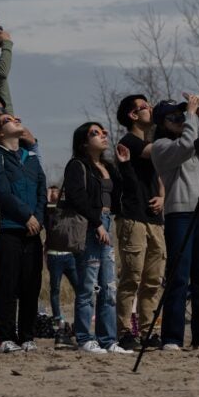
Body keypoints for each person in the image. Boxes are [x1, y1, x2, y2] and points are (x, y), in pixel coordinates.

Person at [150, 94, 199, 351]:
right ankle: (172, 337)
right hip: (179, 214)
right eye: (174, 117)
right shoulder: (161, 147)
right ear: (162, 123)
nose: (180, 119)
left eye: (181, 115)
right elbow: (188, 144)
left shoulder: (192, 136)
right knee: (178, 276)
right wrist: (190, 115)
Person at [63, 123, 131, 355]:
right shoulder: (77, 165)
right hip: (90, 226)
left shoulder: (108, 167)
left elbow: (121, 194)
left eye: (103, 132)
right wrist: (96, 223)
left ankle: (108, 340)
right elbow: (77, 197)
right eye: (95, 133)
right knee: (88, 286)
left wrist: (125, 165)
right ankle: (84, 338)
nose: (103, 135)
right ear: (83, 142)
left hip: (107, 222)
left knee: (109, 287)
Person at [0, 113, 47, 353]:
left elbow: (43, 190)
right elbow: (0, 191)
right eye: (9, 119)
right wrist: (26, 216)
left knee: (31, 285)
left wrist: (38, 219)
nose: (17, 119)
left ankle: (27, 336)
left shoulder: (31, 157)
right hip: (9, 230)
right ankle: (3, 337)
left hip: (34, 231)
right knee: (7, 285)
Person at [114, 95, 167, 350]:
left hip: (155, 219)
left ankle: (149, 332)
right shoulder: (129, 142)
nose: (151, 109)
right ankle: (125, 332)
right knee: (131, 277)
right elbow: (156, 152)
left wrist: (162, 197)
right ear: (133, 115)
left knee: (153, 280)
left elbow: (160, 173)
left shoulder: (149, 143)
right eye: (145, 107)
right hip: (133, 218)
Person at [44, 185, 78, 323]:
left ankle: (79, 316)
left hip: (69, 255)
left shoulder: (65, 210)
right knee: (55, 288)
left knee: (79, 287)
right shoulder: (48, 213)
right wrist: (47, 196)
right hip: (54, 255)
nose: (54, 194)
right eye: (51, 192)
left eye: (56, 191)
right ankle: (57, 317)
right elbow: (45, 208)